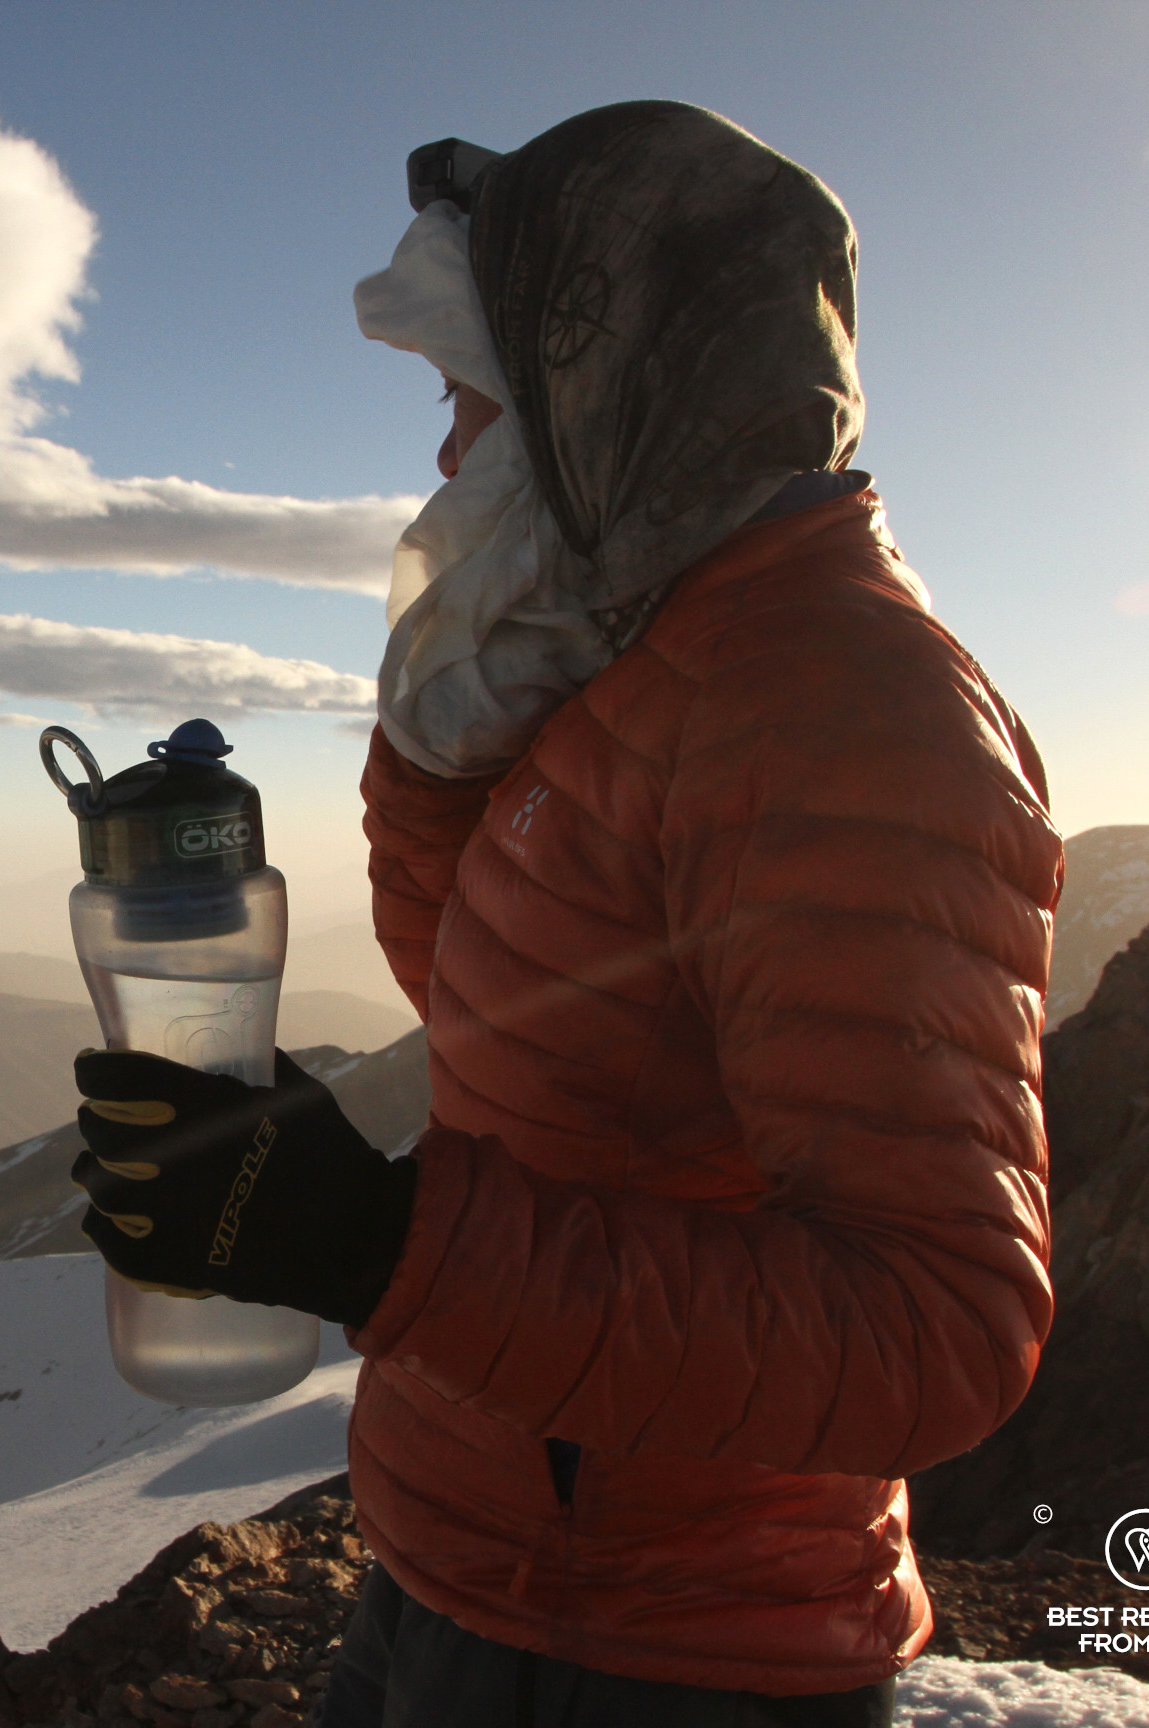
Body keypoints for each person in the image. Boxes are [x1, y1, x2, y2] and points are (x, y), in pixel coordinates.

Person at [70, 101, 1060, 1727]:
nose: (447, 457)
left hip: (658, 1653)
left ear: (609, 388)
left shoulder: (846, 711)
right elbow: (512, 1019)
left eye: (473, 404)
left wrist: (373, 1240)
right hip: (469, 1562)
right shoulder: (646, 662)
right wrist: (443, 731)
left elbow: (937, 1328)